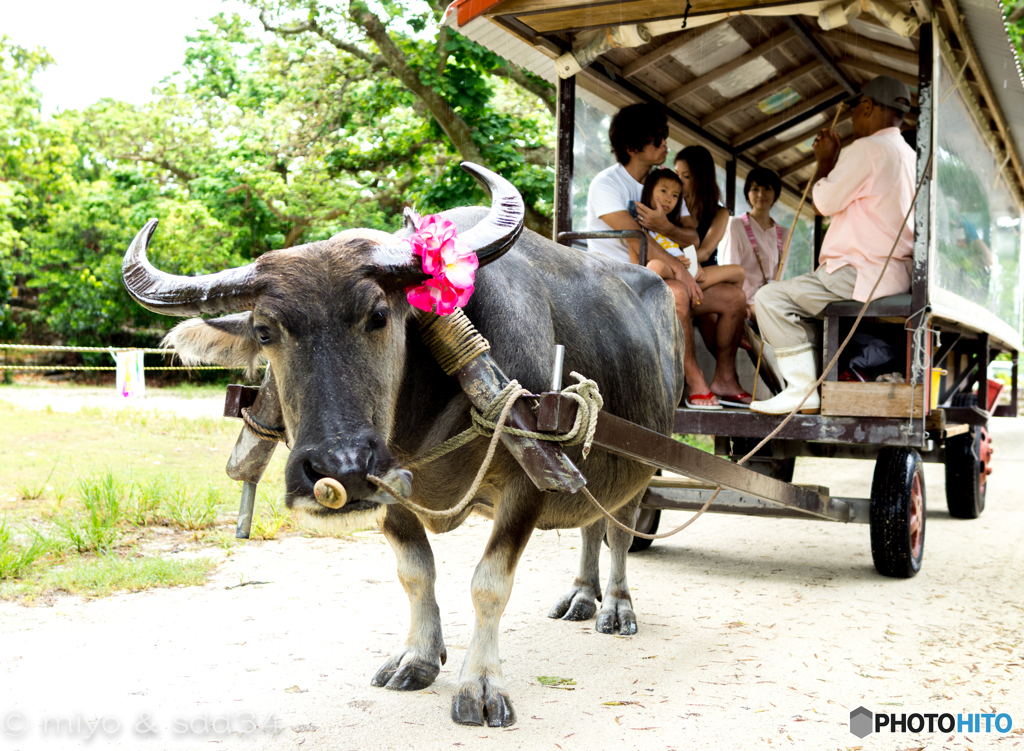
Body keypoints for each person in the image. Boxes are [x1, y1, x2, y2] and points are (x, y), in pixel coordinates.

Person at [751, 75, 916, 415]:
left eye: (856, 110)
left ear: (868, 107)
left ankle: (801, 390)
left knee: (769, 298)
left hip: (858, 273)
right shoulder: (910, 155)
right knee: (802, 311)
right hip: (895, 275)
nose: (854, 118)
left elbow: (824, 202)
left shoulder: (869, 148)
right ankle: (818, 383)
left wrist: (826, 161)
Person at [586, 105, 749, 410]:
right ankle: (694, 380)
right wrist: (681, 272)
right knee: (676, 293)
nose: (665, 144)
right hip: (621, 283)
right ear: (632, 147)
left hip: (660, 276)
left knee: (734, 298)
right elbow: (638, 238)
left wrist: (666, 226)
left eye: (665, 136)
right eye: (658, 138)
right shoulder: (607, 184)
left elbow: (692, 237)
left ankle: (725, 379)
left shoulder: (663, 183)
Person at [640, 168, 745, 293]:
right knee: (656, 265)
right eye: (663, 191)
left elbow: (691, 247)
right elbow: (638, 260)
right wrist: (678, 265)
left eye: (675, 195)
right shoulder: (640, 223)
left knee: (739, 272)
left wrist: (693, 262)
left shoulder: (675, 222)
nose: (669, 199)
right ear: (649, 190)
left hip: (691, 269)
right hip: (670, 269)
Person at [720, 167, 789, 322]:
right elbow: (729, 269)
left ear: (775, 194)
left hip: (770, 301)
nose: (760, 194)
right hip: (743, 301)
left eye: (767, 189)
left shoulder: (784, 234)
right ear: (747, 193)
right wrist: (740, 304)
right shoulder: (735, 224)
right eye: (755, 189)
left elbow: (778, 276)